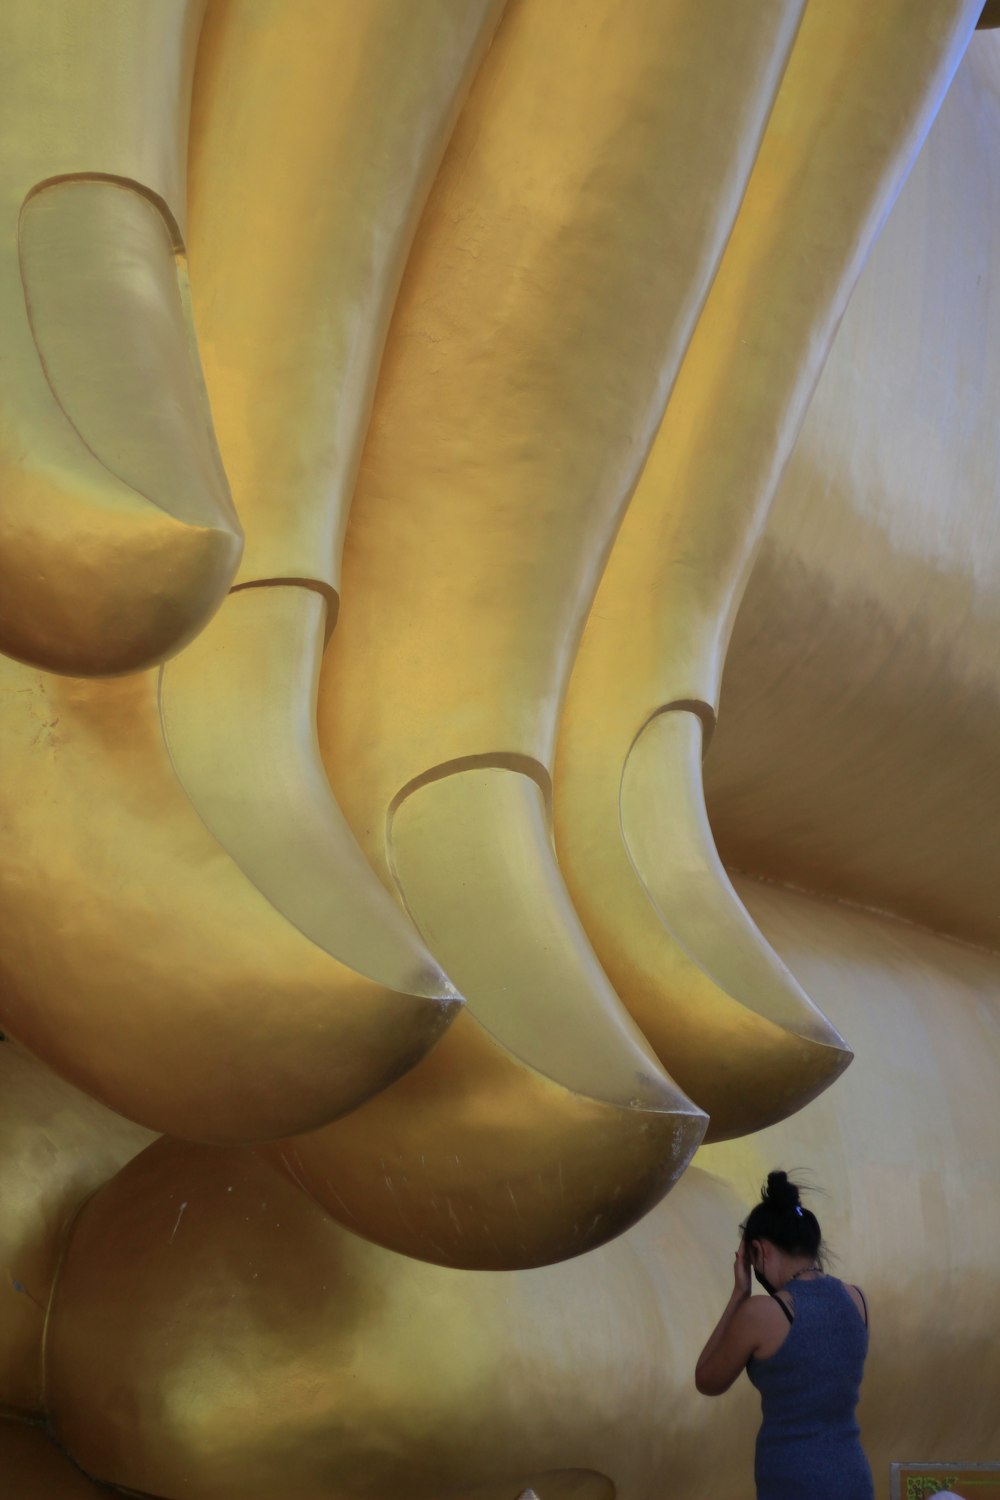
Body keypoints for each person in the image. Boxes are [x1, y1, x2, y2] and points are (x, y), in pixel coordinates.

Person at [695, 1170, 873, 1500]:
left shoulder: (763, 1313)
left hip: (793, 1482)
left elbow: (707, 1379)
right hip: (853, 1478)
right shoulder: (857, 1300)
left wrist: (739, 1294)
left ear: (759, 1251)